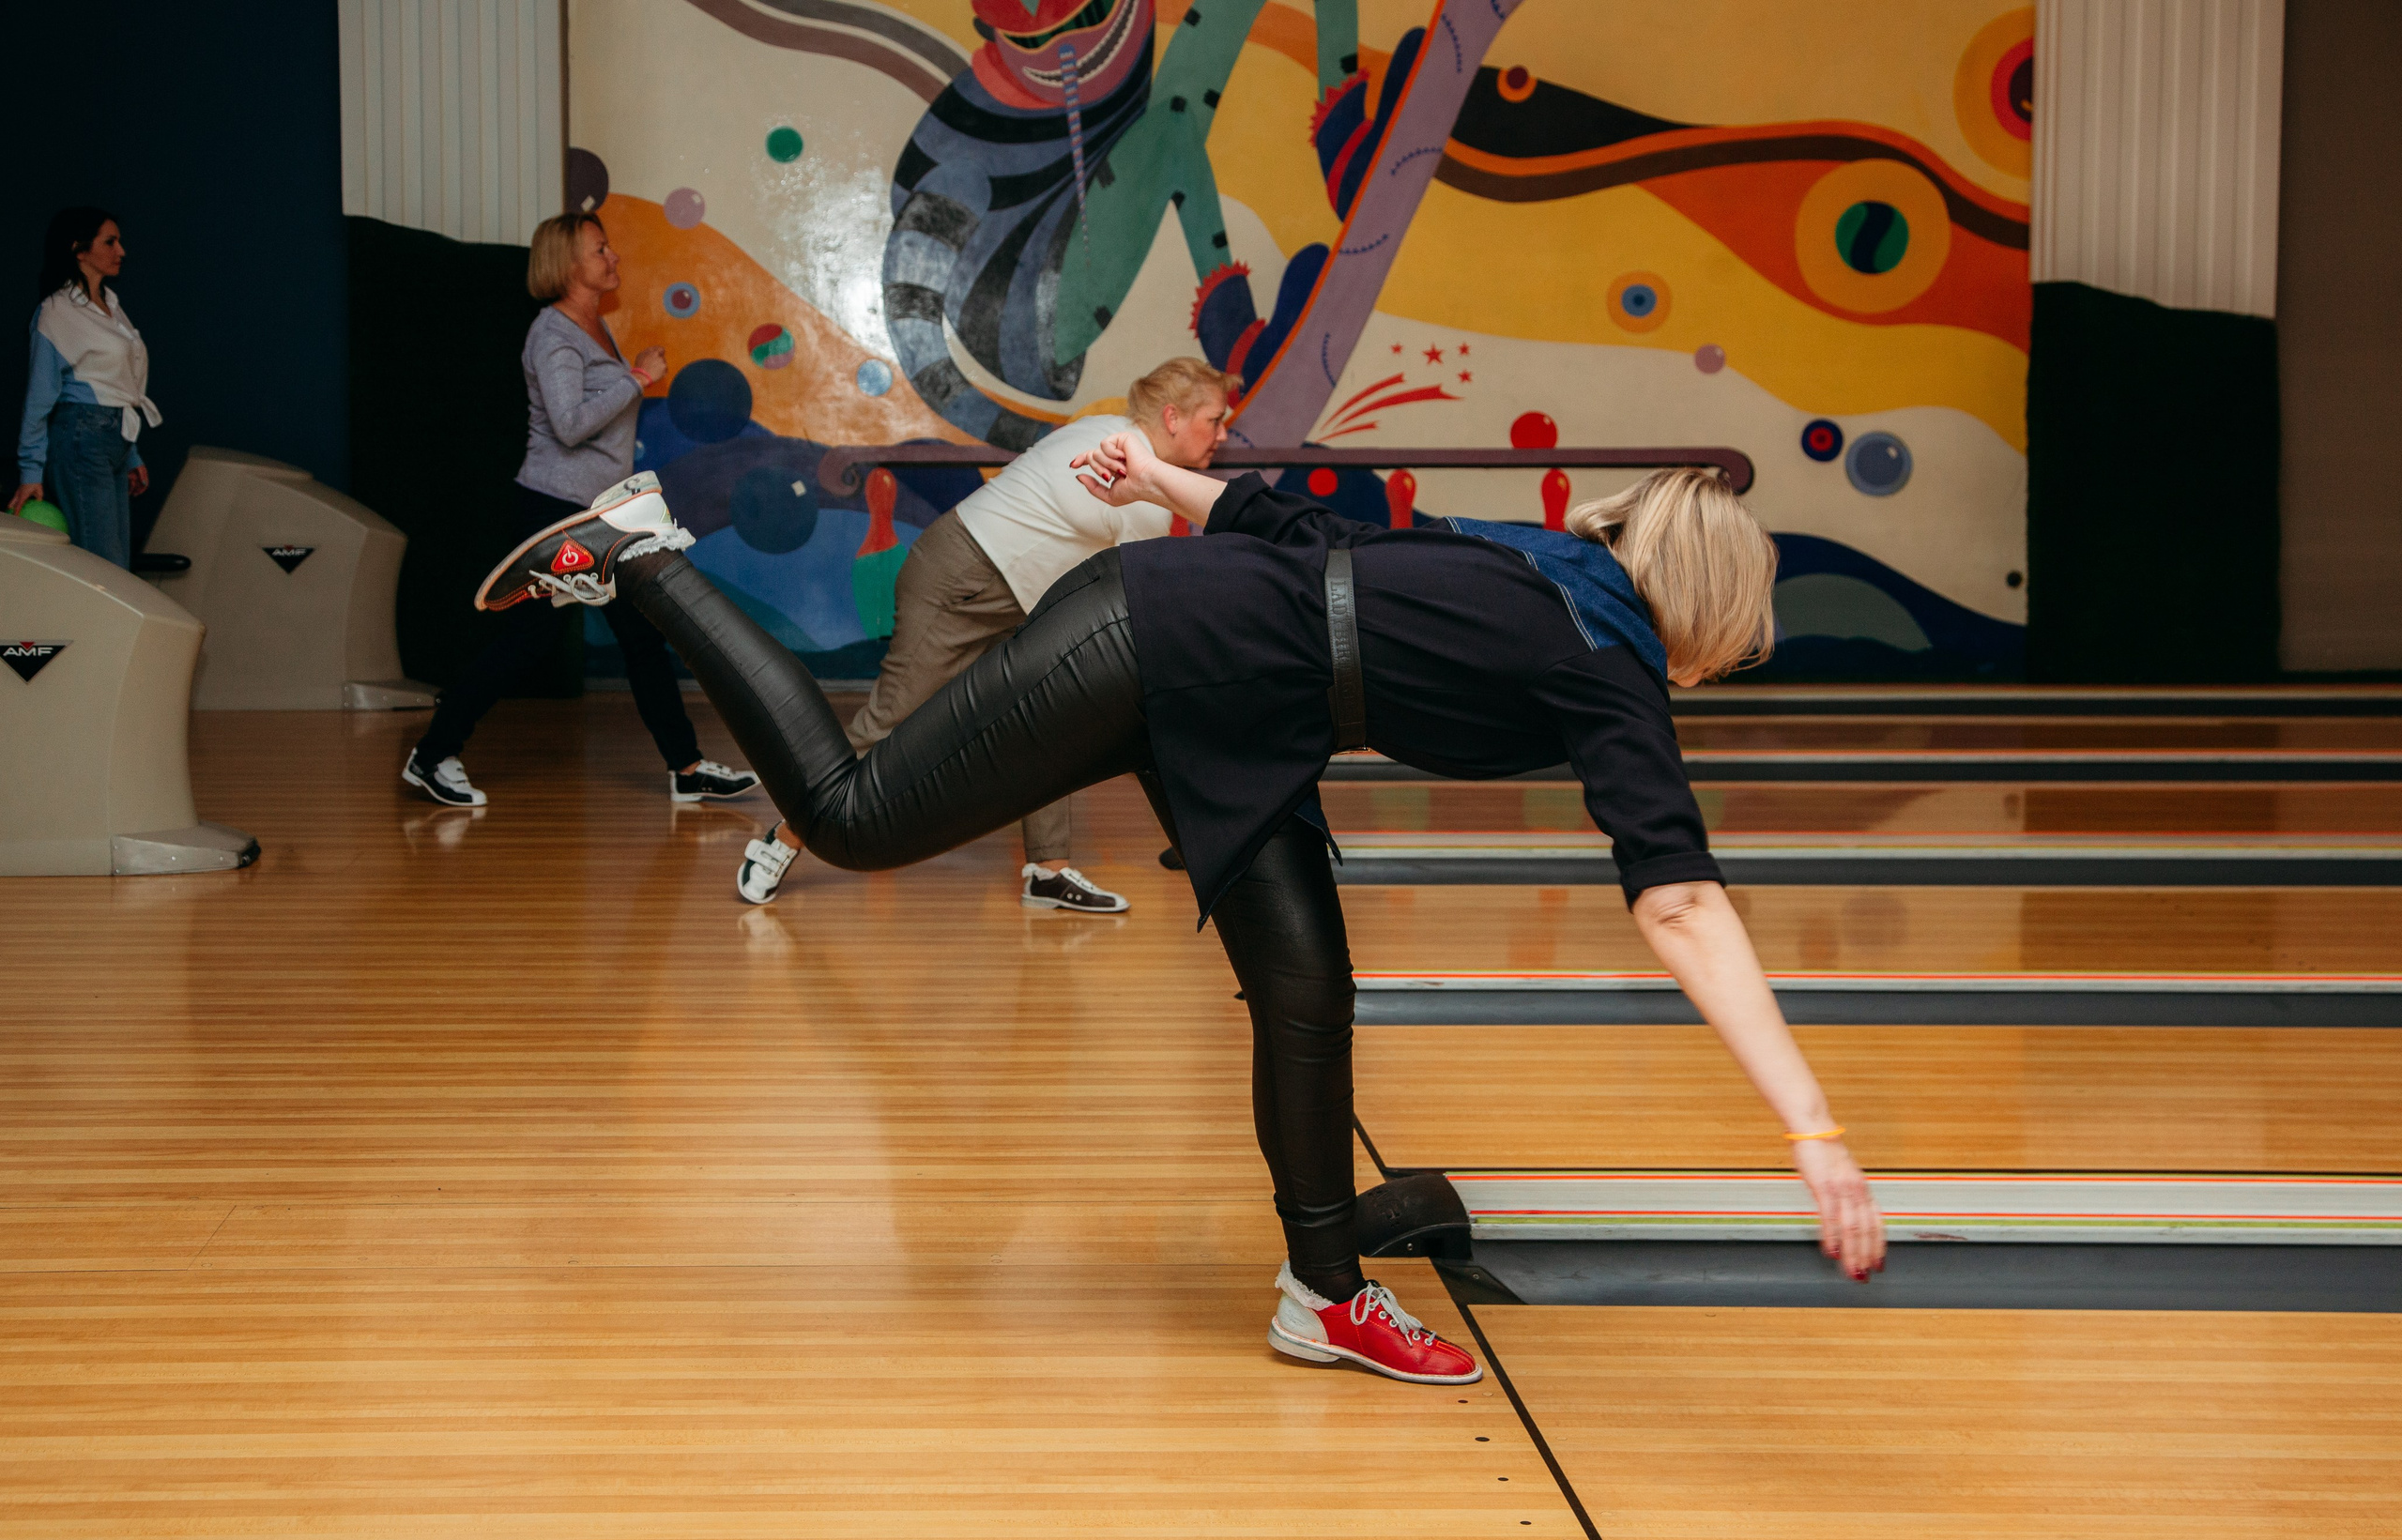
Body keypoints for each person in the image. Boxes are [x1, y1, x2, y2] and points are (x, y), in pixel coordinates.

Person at [467, 442, 1887, 1385]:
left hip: (1226, 690)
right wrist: (1812, 1127)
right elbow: (1683, 897)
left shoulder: (1543, 567)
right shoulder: (1607, 662)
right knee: (851, 813)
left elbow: (1316, 533)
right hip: (1164, 651)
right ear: (1707, 613)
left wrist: (1158, 470)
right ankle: (643, 555)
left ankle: (1321, 1281)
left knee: (1306, 981)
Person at [733, 357, 1235, 912]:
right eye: (1214, 419)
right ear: (1172, 416)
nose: (1222, 433)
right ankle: (782, 838)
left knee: (1055, 720)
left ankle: (1048, 871)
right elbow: (1153, 592)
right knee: (893, 723)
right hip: (962, 579)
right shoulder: (1120, 458)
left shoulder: (1120, 448)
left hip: (1014, 598)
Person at [400, 211, 758, 809]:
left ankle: (687, 767)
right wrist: (638, 377)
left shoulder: (592, 326)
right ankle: (432, 754)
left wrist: (626, 376)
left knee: (643, 637)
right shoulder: (553, 334)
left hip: (603, 513)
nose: (613, 256)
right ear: (568, 266)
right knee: (528, 639)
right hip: (557, 510)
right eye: (600, 250)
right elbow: (568, 427)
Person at [12, 209, 159, 569]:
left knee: (117, 564)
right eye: (110, 242)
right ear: (79, 249)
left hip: (112, 438)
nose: (121, 251)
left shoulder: (110, 305)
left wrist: (131, 453)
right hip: (82, 438)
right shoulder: (56, 311)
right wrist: (31, 472)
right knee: (102, 566)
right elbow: (39, 398)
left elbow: (115, 382)